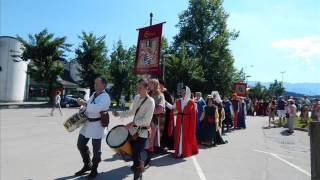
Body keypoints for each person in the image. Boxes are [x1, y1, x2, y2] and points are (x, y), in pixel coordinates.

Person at [113, 79, 155, 180]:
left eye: (140, 88)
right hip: (133, 130)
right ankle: (139, 166)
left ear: (147, 89)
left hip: (143, 132)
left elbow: (146, 119)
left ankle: (137, 175)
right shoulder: (136, 97)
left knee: (136, 153)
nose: (138, 89)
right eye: (137, 87)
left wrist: (133, 123)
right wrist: (120, 113)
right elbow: (131, 112)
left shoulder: (150, 101)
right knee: (128, 150)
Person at [74, 77, 111, 178]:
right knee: (80, 144)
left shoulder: (105, 97)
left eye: (98, 84)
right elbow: (89, 105)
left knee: (96, 150)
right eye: (95, 84)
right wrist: (82, 107)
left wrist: (84, 103)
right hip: (88, 124)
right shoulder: (94, 94)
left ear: (104, 85)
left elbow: (97, 108)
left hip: (97, 126)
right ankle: (87, 164)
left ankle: (94, 169)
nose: (95, 85)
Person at [166, 86, 198, 158]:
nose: (183, 93)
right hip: (179, 122)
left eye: (184, 92)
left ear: (188, 93)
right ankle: (179, 152)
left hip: (187, 123)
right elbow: (172, 107)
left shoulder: (192, 102)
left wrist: (192, 126)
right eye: (182, 92)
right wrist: (164, 102)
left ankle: (183, 152)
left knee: (185, 137)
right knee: (179, 136)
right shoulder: (178, 101)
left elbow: (193, 116)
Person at [145, 79, 165, 166]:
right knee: (143, 138)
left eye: (150, 84)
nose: (148, 86)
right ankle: (144, 156)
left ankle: (148, 158)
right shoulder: (148, 94)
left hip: (153, 120)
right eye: (148, 84)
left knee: (150, 140)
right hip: (144, 120)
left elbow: (160, 109)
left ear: (155, 85)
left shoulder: (160, 95)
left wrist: (149, 111)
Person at [159, 80, 175, 150]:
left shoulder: (166, 94)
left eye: (159, 85)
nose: (158, 86)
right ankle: (158, 145)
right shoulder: (157, 93)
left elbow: (171, 106)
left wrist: (164, 102)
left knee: (165, 130)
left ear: (162, 85)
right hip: (158, 116)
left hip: (166, 116)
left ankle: (165, 145)